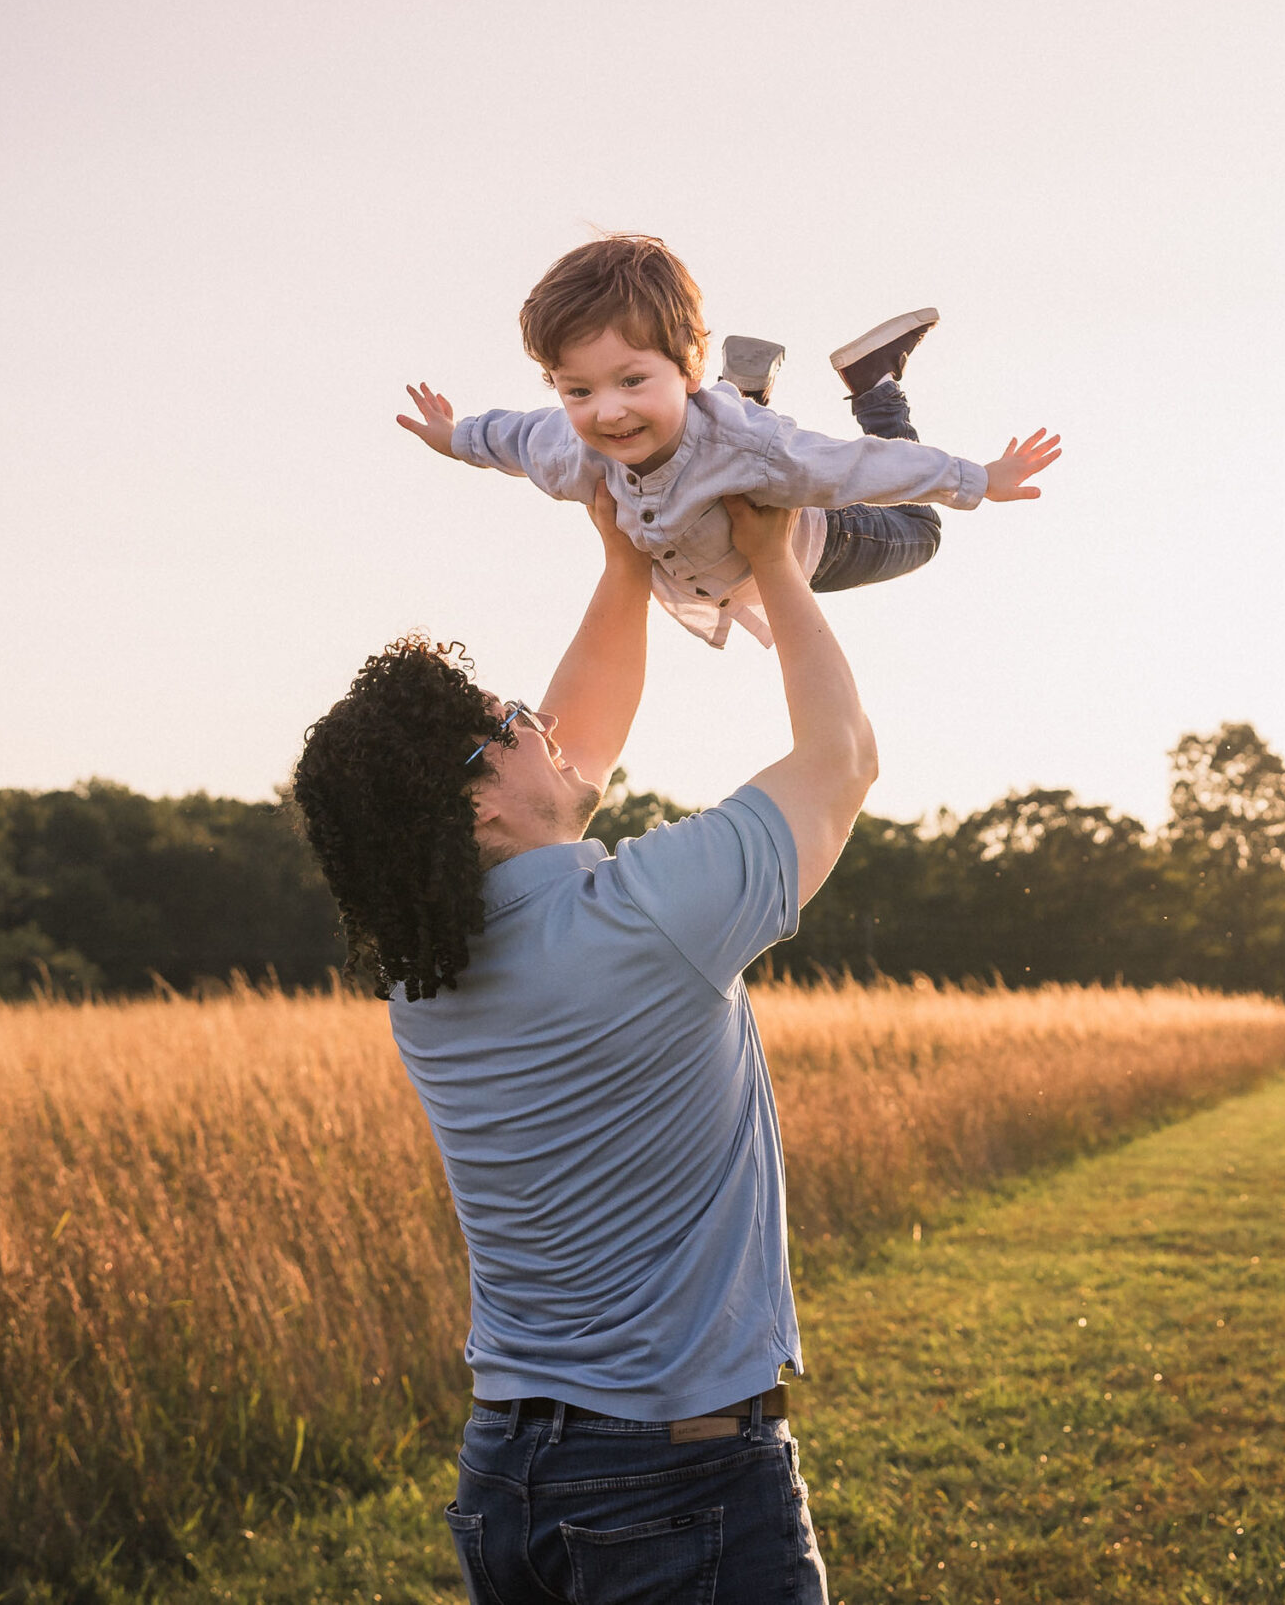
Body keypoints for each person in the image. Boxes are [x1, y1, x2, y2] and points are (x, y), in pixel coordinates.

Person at [290, 483, 871, 1603]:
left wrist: (622, 570)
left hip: (512, 1476)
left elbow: (573, 744)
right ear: (473, 813)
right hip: (675, 1485)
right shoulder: (645, 919)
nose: (533, 721)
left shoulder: (428, 976)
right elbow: (841, 756)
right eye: (500, 727)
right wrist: (774, 559)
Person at [397, 232, 1061, 649]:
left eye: (631, 380)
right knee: (725, 430)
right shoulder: (572, 446)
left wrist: (979, 478)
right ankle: (742, 394)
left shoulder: (764, 456)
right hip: (735, 485)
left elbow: (858, 465)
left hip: (825, 540)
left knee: (920, 532)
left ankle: (873, 383)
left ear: (686, 367)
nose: (607, 412)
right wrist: (454, 436)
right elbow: (513, 436)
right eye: (579, 390)